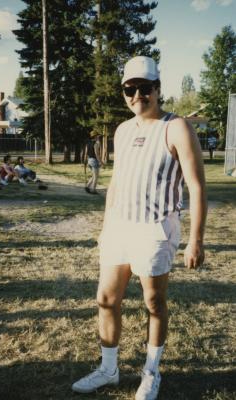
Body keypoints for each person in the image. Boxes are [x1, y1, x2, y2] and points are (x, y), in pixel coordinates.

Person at [72, 56, 207, 399]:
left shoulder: (176, 127)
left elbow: (196, 186)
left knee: (153, 301)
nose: (137, 96)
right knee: (106, 298)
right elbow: (115, 184)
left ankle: (151, 372)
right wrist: (105, 228)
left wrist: (196, 241)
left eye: (145, 88)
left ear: (158, 90)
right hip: (120, 227)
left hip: (155, 228)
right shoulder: (122, 130)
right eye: (130, 89)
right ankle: (109, 369)